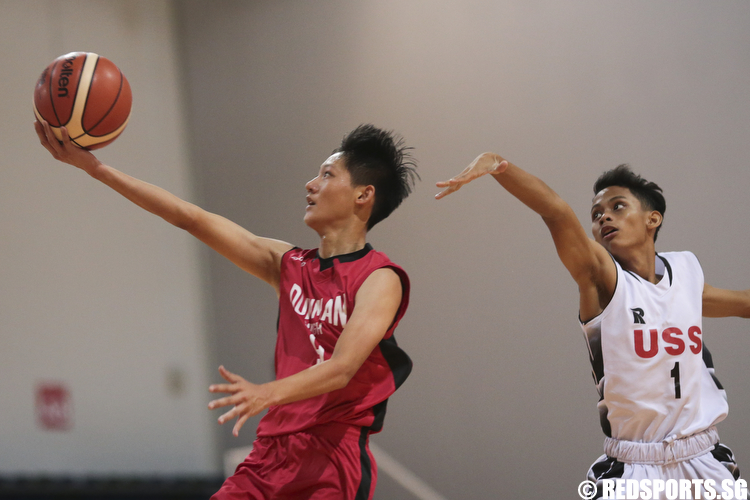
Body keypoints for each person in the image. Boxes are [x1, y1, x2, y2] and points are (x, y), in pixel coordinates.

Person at [34, 120, 417, 500]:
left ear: (363, 195)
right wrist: (97, 169)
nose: (310, 184)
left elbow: (343, 367)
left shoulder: (380, 278)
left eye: (327, 175)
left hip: (331, 460)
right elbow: (190, 218)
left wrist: (267, 393)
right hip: (270, 455)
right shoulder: (288, 264)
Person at [436, 155, 749, 498]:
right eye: (597, 215)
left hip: (704, 458)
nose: (605, 218)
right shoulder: (602, 278)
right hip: (635, 468)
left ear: (652, 219)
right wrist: (500, 166)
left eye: (617, 206)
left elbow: (743, 304)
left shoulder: (685, 272)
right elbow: (556, 211)